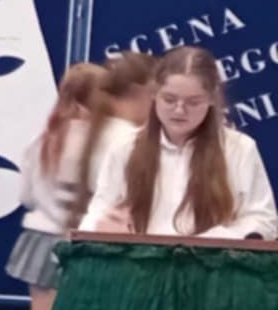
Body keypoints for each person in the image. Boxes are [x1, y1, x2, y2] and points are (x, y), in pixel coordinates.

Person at [2, 54, 154, 310]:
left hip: (41, 240)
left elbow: (26, 196)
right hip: (94, 245)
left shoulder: (45, 138)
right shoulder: (123, 137)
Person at [80, 46, 276, 240]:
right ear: (154, 94)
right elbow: (97, 213)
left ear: (212, 98)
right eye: (169, 99)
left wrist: (215, 239)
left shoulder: (240, 149)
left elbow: (263, 220)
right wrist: (102, 226)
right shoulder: (125, 148)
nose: (179, 110)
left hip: (213, 259)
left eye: (193, 102)